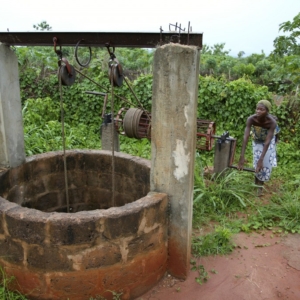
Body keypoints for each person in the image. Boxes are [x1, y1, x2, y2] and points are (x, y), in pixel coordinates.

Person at [238, 100, 279, 195]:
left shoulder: (272, 122)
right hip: (257, 139)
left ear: (267, 111)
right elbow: (246, 137)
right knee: (257, 161)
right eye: (257, 109)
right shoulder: (251, 119)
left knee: (265, 162)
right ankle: (256, 181)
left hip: (268, 141)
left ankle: (260, 186)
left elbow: (268, 141)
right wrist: (242, 156)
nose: (258, 111)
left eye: (262, 109)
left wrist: (262, 159)